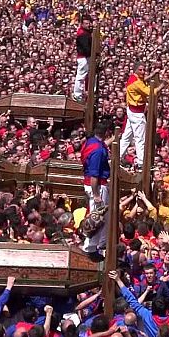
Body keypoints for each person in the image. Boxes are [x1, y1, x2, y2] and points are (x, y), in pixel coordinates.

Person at [119, 62, 163, 170]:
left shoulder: (133, 78)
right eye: (140, 70)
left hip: (131, 111)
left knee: (127, 136)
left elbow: (142, 81)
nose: (143, 72)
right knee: (140, 138)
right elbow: (151, 92)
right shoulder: (137, 83)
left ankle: (118, 156)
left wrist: (152, 75)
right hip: (137, 113)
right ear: (135, 70)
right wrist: (163, 85)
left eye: (144, 70)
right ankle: (141, 164)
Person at [80, 121, 111, 258]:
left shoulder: (91, 142)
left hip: (91, 183)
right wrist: (97, 194)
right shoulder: (98, 151)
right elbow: (94, 175)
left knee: (100, 216)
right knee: (96, 219)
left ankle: (99, 244)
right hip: (97, 186)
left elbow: (104, 144)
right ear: (105, 133)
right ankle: (90, 249)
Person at [72, 15, 93, 102]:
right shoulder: (82, 34)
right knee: (81, 76)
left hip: (85, 57)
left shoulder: (85, 32)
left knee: (83, 76)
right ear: (82, 24)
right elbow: (86, 48)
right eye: (86, 23)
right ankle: (77, 95)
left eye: (89, 23)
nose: (88, 25)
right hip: (83, 57)